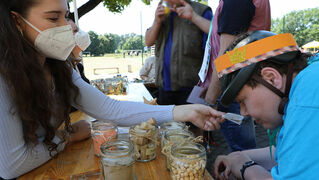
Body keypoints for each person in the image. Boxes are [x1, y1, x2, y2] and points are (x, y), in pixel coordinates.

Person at [0, 0, 224, 179]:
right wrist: (66, 137)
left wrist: (185, 112)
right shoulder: (4, 77)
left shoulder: (60, 68)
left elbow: (109, 109)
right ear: (17, 21)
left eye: (65, 16)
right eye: (53, 18)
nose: (65, 27)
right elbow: (12, 164)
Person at [213, 31, 317, 179]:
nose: (243, 113)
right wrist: (239, 156)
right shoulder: (308, 82)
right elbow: (295, 152)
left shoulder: (307, 99)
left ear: (271, 78)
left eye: (243, 100)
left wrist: (244, 167)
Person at [197, 0, 271, 152]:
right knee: (244, 147)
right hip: (239, 85)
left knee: (243, 150)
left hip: (235, 88)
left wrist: (210, 101)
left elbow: (227, 57)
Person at [145, 0, 212, 106]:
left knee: (191, 123)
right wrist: (157, 22)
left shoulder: (202, 11)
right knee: (167, 123)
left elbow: (217, 37)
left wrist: (193, 17)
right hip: (164, 88)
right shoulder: (162, 12)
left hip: (193, 89)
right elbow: (148, 42)